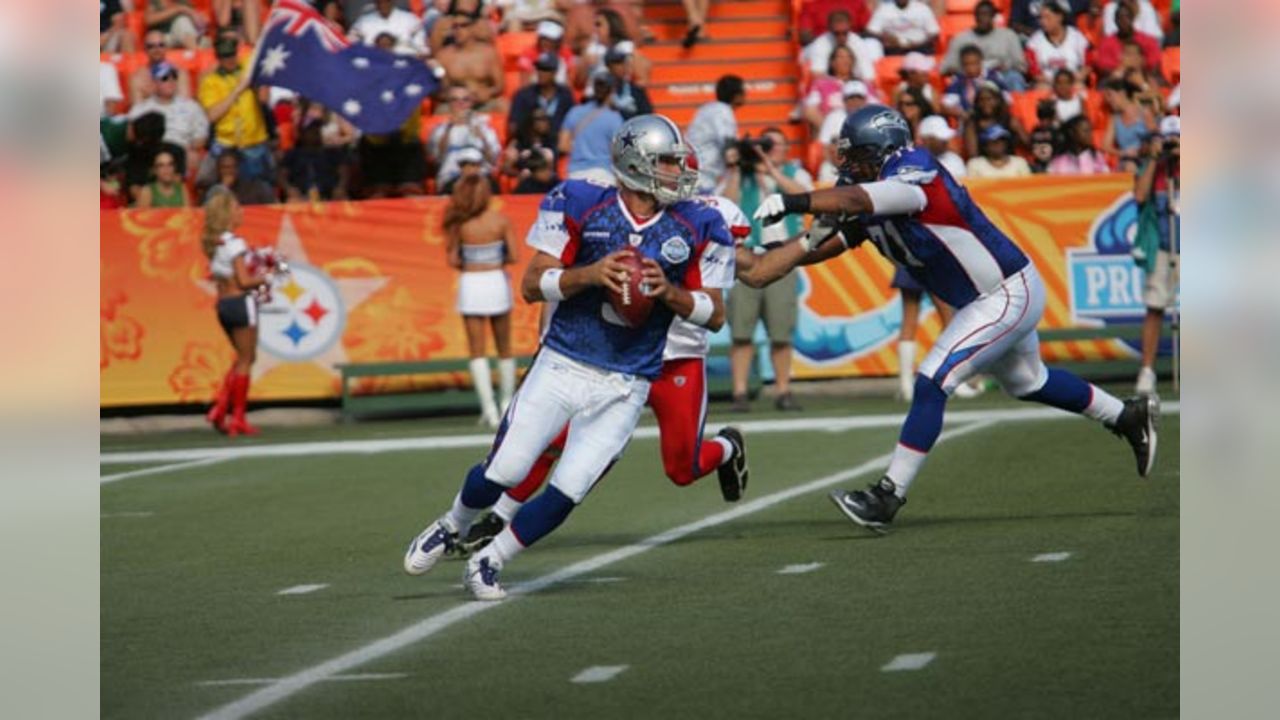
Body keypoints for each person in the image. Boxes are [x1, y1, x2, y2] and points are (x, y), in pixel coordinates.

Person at [749, 104, 1157, 532]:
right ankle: (1126, 415)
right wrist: (778, 255)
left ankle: (888, 496)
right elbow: (834, 239)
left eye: (855, 155)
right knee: (1028, 381)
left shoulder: (914, 170)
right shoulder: (865, 187)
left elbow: (860, 200)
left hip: (1002, 293)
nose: (848, 164)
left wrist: (793, 201)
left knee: (933, 380)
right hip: (990, 297)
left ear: (881, 149)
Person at [402, 114, 734, 600]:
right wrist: (591, 273)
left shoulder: (699, 221)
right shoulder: (583, 202)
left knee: (569, 489)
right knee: (507, 471)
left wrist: (672, 295)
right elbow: (532, 285)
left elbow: (715, 315)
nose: (676, 171)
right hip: (564, 362)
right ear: (635, 164)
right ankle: (452, 523)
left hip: (628, 382)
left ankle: (490, 561)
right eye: (665, 162)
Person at [456, 194, 755, 554]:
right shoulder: (612, 214)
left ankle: (727, 447)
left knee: (682, 468)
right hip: (620, 354)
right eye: (666, 162)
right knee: (554, 438)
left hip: (679, 358)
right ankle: (500, 516)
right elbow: (559, 281)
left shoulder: (710, 217)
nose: (673, 173)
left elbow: (755, 270)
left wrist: (808, 240)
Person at [720, 128, 813, 412]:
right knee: (741, 333)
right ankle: (739, 392)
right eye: (764, 145)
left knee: (781, 333)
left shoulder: (792, 173)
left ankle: (783, 390)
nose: (768, 149)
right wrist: (736, 168)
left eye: (772, 145)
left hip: (782, 254)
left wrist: (772, 171)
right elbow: (725, 204)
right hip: (747, 255)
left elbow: (807, 197)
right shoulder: (740, 176)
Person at [444, 174, 520, 428]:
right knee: (504, 347)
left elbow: (453, 259)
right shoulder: (500, 221)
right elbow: (515, 255)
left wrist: (473, 257)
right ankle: (506, 404)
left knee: (477, 350)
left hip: (471, 284)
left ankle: (488, 409)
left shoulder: (460, 225)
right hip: (496, 281)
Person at [202, 188, 270, 436]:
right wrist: (266, 277)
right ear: (227, 214)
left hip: (223, 306)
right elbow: (243, 280)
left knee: (240, 357)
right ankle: (237, 417)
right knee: (246, 359)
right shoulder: (236, 243)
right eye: (236, 208)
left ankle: (220, 410)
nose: (241, 211)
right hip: (241, 303)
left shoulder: (215, 244)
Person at [1132, 115, 1179, 396]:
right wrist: (1154, 159)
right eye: (1168, 138)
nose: (1172, 143)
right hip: (1162, 245)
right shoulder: (1155, 167)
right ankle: (1147, 370)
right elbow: (1139, 196)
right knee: (1155, 306)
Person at [198, 34, 272, 186]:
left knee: (260, 187)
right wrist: (237, 91)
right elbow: (212, 116)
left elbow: (264, 98)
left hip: (254, 143)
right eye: (225, 56)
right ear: (218, 58)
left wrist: (257, 84)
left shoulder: (248, 67)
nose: (230, 60)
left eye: (232, 54)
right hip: (226, 145)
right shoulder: (210, 81)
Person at [129, 62, 209, 175]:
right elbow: (132, 138)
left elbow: (201, 138)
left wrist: (189, 149)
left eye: (174, 77)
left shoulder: (191, 107)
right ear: (154, 83)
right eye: (165, 78)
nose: (171, 81)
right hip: (151, 156)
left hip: (182, 153)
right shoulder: (141, 109)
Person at [427, 85, 501, 193]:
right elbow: (437, 158)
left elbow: (493, 159)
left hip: (480, 175)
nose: (460, 104)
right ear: (449, 104)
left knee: (492, 187)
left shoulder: (484, 128)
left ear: (471, 103)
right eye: (455, 100)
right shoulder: (440, 129)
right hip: (452, 175)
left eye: (465, 100)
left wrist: (481, 136)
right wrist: (449, 128)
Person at [939, 1, 1027, 91]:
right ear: (975, 17)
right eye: (979, 15)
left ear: (993, 16)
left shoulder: (1009, 36)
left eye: (986, 14)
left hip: (1002, 76)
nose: (982, 18)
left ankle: (1019, 104)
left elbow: (1021, 66)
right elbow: (945, 68)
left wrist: (1004, 67)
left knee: (1015, 78)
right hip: (970, 79)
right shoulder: (960, 39)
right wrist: (969, 68)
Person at [559, 71, 625, 184]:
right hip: (604, 176)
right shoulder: (615, 118)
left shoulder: (574, 112)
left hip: (576, 175)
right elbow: (618, 153)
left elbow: (563, 146)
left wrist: (582, 150)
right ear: (613, 91)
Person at [685, 74, 745, 193]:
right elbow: (728, 144)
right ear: (737, 95)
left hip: (693, 171)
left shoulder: (707, 109)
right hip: (702, 176)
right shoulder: (723, 111)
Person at [434, 11, 506, 109]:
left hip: (483, 101)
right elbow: (440, 91)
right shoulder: (444, 56)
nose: (458, 30)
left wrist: (488, 92)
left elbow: (500, 86)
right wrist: (454, 97)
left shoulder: (488, 52)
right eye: (454, 27)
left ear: (473, 28)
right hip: (455, 105)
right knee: (440, 109)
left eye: (463, 26)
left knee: (504, 106)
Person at [508, 52, 576, 143]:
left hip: (557, 143)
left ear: (554, 72)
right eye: (539, 69)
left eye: (545, 69)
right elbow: (513, 127)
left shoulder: (565, 95)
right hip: (529, 143)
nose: (540, 73)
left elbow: (574, 123)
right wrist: (531, 127)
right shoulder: (524, 95)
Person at [801, 10, 881, 83]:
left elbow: (869, 78)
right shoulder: (821, 44)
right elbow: (817, 77)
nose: (841, 38)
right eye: (837, 33)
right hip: (827, 83)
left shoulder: (858, 43)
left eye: (845, 33)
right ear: (829, 29)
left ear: (850, 27)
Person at [280, 118, 350, 201]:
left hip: (329, 193)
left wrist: (340, 187)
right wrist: (289, 189)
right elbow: (282, 175)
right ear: (303, 134)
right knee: (293, 201)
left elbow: (343, 171)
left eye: (317, 130)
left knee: (343, 199)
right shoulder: (293, 154)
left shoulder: (332, 152)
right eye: (312, 131)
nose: (316, 133)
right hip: (301, 194)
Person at [1026, 0, 1092, 87]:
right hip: (1048, 82)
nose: (1043, 22)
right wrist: (1055, 82)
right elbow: (1034, 72)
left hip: (1072, 81)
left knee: (1079, 87)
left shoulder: (1077, 37)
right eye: (1041, 18)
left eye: (1047, 17)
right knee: (1041, 89)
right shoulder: (1034, 41)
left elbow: (1088, 64)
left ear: (1059, 17)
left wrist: (1077, 77)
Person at [818, 80, 872, 182]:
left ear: (865, 100)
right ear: (844, 100)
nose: (855, 102)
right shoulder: (833, 117)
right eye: (851, 98)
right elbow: (824, 149)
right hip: (839, 163)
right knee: (826, 169)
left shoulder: (872, 118)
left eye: (859, 98)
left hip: (867, 164)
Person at [1100, 77, 1157, 172]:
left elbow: (1155, 137)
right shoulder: (1114, 119)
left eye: (1110, 95)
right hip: (1126, 162)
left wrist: (1144, 148)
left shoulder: (1144, 112)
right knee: (1128, 165)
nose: (1108, 100)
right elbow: (1105, 145)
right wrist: (1123, 153)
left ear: (1122, 93)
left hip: (1144, 160)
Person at [1092, 1, 1161, 78]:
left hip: (1142, 79)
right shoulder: (1107, 43)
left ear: (1132, 19)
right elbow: (1105, 70)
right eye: (1120, 18)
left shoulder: (1148, 41)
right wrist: (1123, 67)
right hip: (1116, 81)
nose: (1123, 21)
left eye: (1126, 17)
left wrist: (1139, 66)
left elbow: (1154, 67)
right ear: (1115, 21)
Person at [131, 30, 194, 104]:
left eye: (161, 45)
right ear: (145, 49)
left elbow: (185, 104)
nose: (157, 49)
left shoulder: (179, 73)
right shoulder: (138, 77)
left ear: (166, 47)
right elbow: (137, 109)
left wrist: (162, 92)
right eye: (151, 46)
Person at [349, 0, 427, 55]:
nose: (383, 4)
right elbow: (350, 45)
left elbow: (423, 51)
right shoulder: (363, 22)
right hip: (373, 64)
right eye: (379, 1)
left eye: (386, 1)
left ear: (393, 1)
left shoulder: (410, 19)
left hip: (403, 63)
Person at [866, 0, 940, 56]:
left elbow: (934, 34)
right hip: (893, 48)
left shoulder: (922, 9)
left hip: (919, 47)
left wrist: (917, 44)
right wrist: (884, 38)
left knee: (926, 48)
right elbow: (871, 31)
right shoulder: (883, 9)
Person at [206, 149, 276, 205]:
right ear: (218, 169)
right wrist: (224, 188)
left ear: (238, 169)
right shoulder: (211, 191)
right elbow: (206, 212)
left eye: (233, 167)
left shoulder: (254, 188)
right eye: (225, 167)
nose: (229, 171)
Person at [605, 46, 653, 121]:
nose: (622, 66)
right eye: (617, 63)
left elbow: (648, 116)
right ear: (609, 66)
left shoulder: (636, 90)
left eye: (623, 62)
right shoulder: (601, 90)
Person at [967, 124, 1032, 178]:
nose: (998, 144)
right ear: (985, 146)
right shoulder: (975, 165)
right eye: (994, 141)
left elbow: (1028, 188)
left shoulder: (1020, 163)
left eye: (1002, 140)